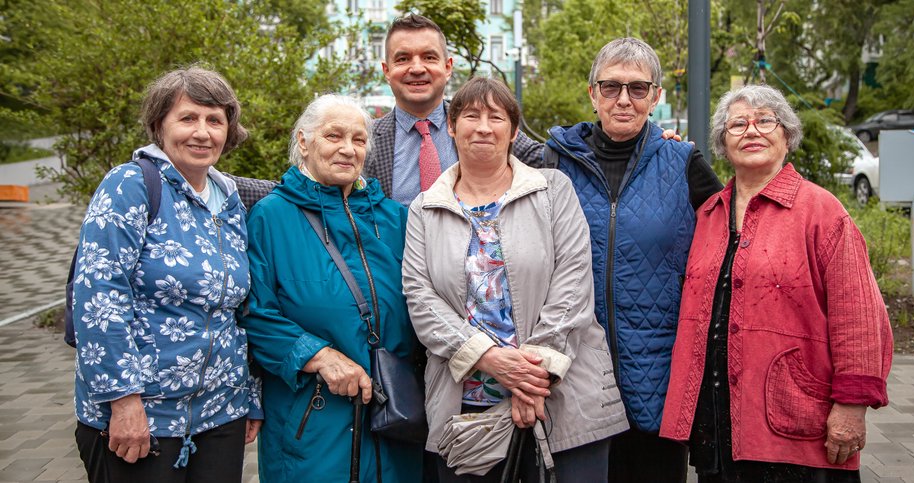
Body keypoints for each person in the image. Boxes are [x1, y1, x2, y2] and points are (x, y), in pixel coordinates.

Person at [659, 84, 893, 482]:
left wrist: (852, 405)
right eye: (737, 124)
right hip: (715, 423)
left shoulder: (821, 212)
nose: (751, 131)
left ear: (786, 136)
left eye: (765, 120)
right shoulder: (709, 214)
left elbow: (860, 317)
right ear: (722, 143)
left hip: (795, 424)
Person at [403, 77, 628, 483]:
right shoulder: (425, 208)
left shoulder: (554, 190)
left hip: (563, 398)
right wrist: (489, 359)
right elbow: (420, 300)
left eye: (496, 117)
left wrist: (531, 379)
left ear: (514, 130)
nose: (484, 126)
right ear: (451, 126)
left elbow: (574, 286)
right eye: (471, 116)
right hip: (468, 411)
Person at [544, 37, 723, 482]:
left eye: (638, 89)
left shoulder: (683, 161)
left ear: (656, 97)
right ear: (592, 94)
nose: (624, 99)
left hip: (660, 377)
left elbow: (730, 246)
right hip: (576, 377)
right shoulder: (555, 162)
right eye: (611, 87)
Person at [71, 66, 262, 482]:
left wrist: (250, 396)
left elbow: (239, 311)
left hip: (221, 414)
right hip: (144, 417)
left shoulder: (229, 199)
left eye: (215, 120)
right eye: (188, 118)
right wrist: (123, 402)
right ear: (159, 124)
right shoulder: (131, 185)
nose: (202, 132)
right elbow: (99, 296)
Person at [240, 94, 421, 482]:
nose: (347, 148)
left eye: (358, 140)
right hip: (313, 417)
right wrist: (319, 355)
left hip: (395, 418)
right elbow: (254, 313)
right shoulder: (272, 217)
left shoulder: (394, 219)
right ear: (304, 142)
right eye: (333, 135)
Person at [225, 13, 544, 209]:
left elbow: (551, 160)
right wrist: (212, 181)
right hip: (396, 284)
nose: (416, 68)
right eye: (403, 59)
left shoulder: (482, 128)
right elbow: (306, 186)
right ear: (386, 70)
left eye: (429, 58)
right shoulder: (363, 140)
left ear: (448, 67)